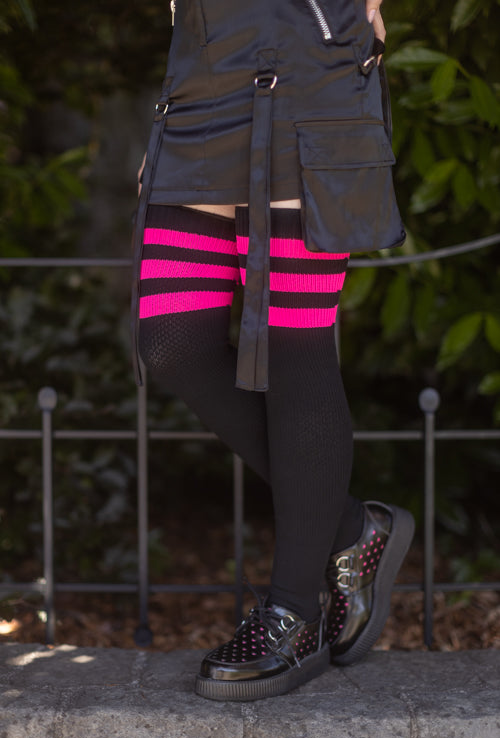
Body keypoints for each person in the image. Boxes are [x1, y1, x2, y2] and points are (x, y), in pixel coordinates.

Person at [131, 0, 415, 701]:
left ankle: (294, 613)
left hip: (310, 65)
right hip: (203, 72)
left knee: (295, 345)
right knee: (171, 342)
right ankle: (349, 527)